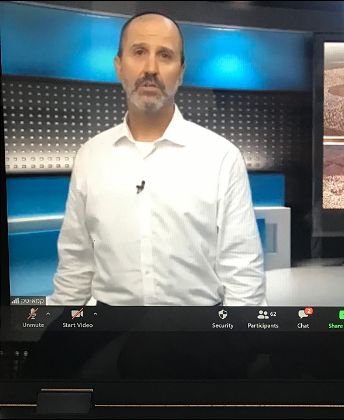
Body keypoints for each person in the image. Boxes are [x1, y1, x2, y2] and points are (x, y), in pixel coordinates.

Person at [47, 12, 266, 306]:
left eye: (165, 55)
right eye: (139, 52)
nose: (150, 68)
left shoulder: (221, 157)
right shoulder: (90, 156)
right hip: (110, 327)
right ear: (119, 66)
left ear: (181, 71)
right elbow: (75, 265)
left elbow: (243, 274)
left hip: (200, 326)